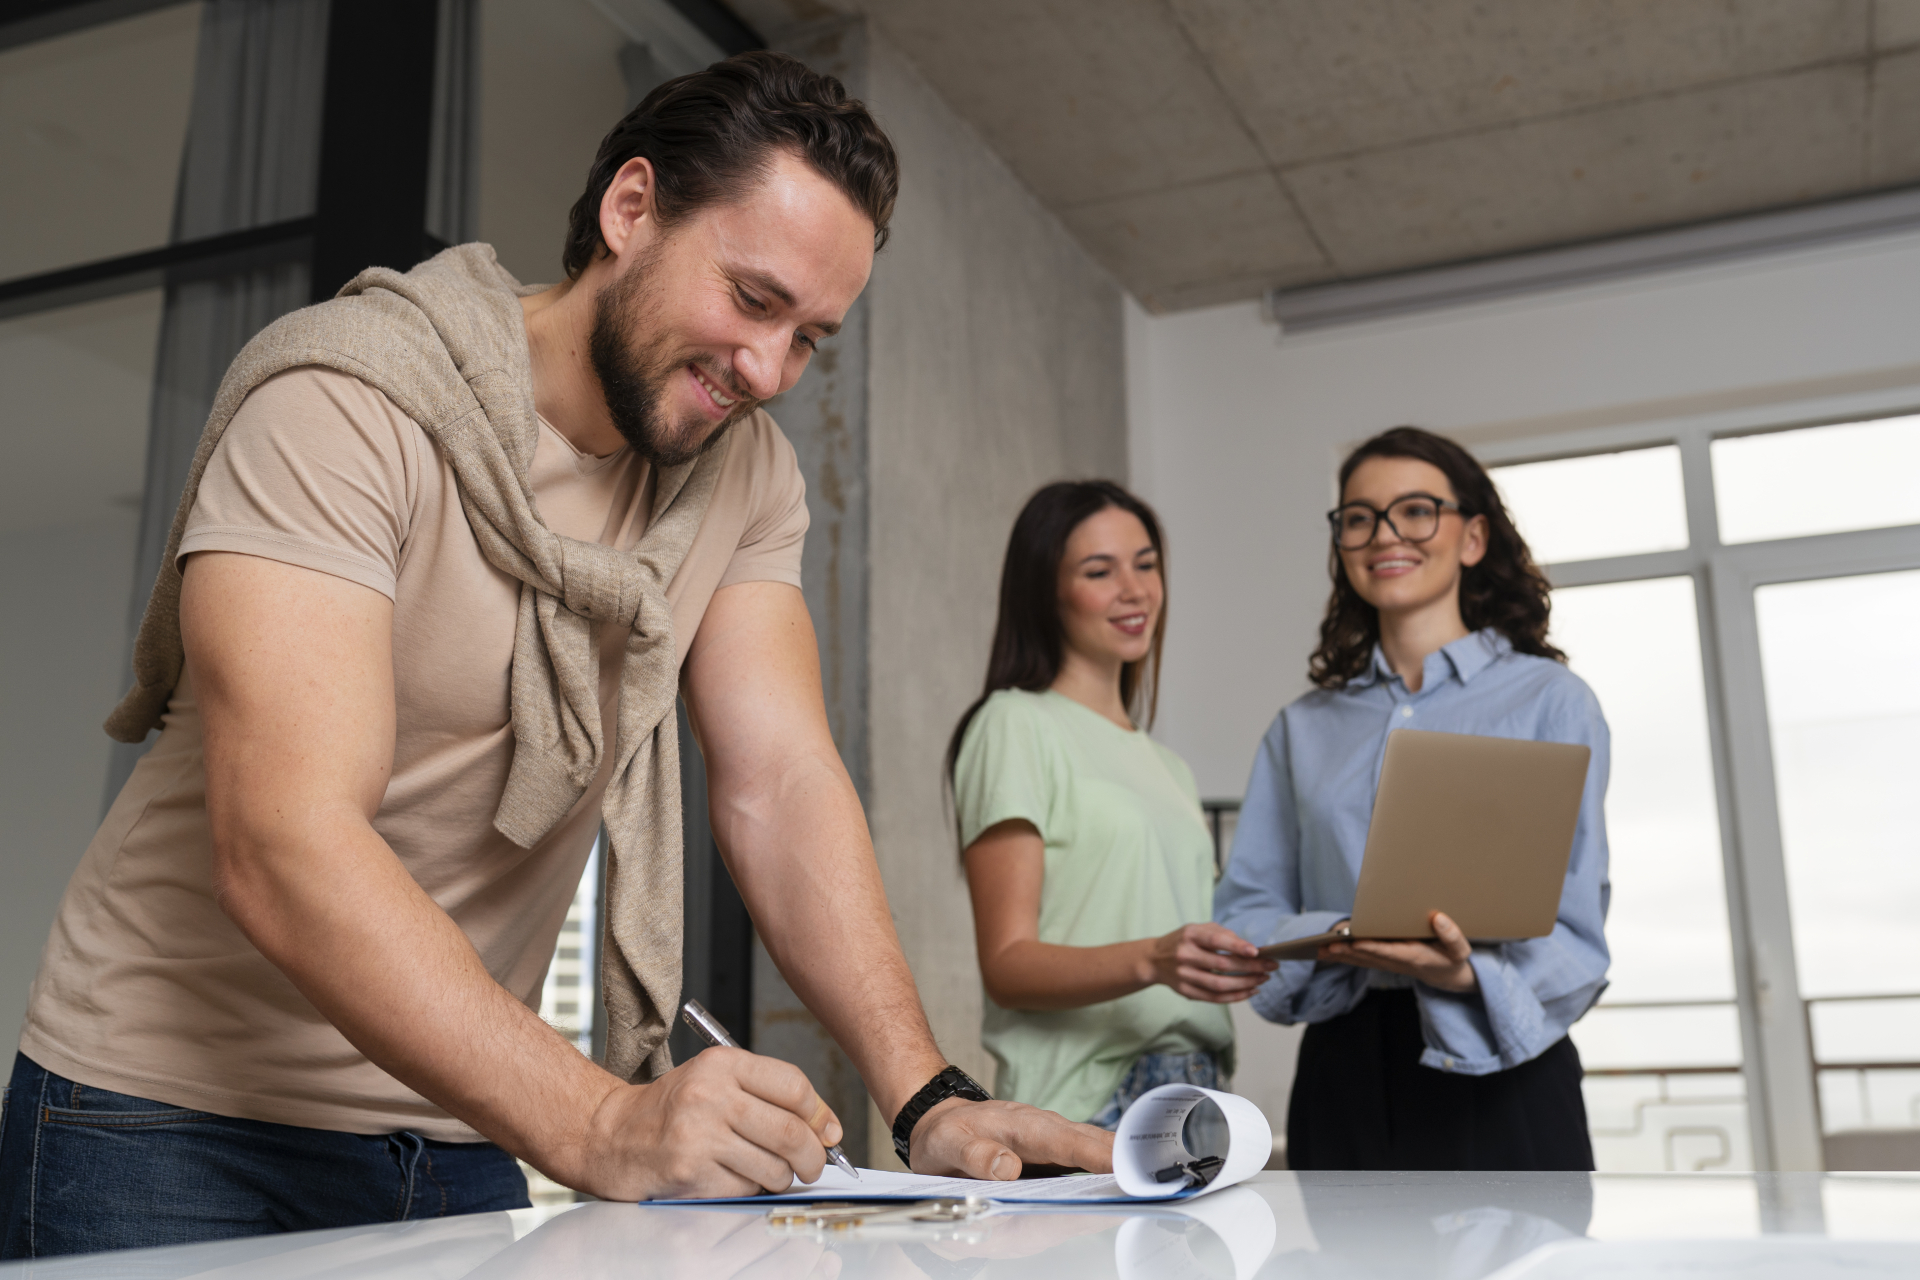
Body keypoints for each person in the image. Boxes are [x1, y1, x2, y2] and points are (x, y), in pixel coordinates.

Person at [2, 53, 1108, 1260]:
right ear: (630, 211)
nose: (768, 371)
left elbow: (779, 777)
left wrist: (928, 1096)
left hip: (460, 1111)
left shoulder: (744, 475)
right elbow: (284, 841)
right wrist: (600, 1121)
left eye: (811, 339)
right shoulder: (344, 398)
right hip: (166, 1118)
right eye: (751, 297)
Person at [1214, 426, 1609, 1171]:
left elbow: (1576, 926)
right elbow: (1248, 908)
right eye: (1359, 517)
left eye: (1416, 510)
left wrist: (1466, 975)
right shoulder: (1303, 728)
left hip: (1502, 1067)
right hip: (1346, 1068)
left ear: (1472, 537)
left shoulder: (1552, 702)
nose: (1385, 534)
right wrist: (1336, 931)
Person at [949, 481, 1274, 1132]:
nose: (1135, 590)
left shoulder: (1169, 767)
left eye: (1146, 564)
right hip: (1089, 1103)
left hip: (1203, 1085)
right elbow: (1007, 964)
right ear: (1047, 591)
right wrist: (1154, 960)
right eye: (1100, 571)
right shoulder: (1014, 723)